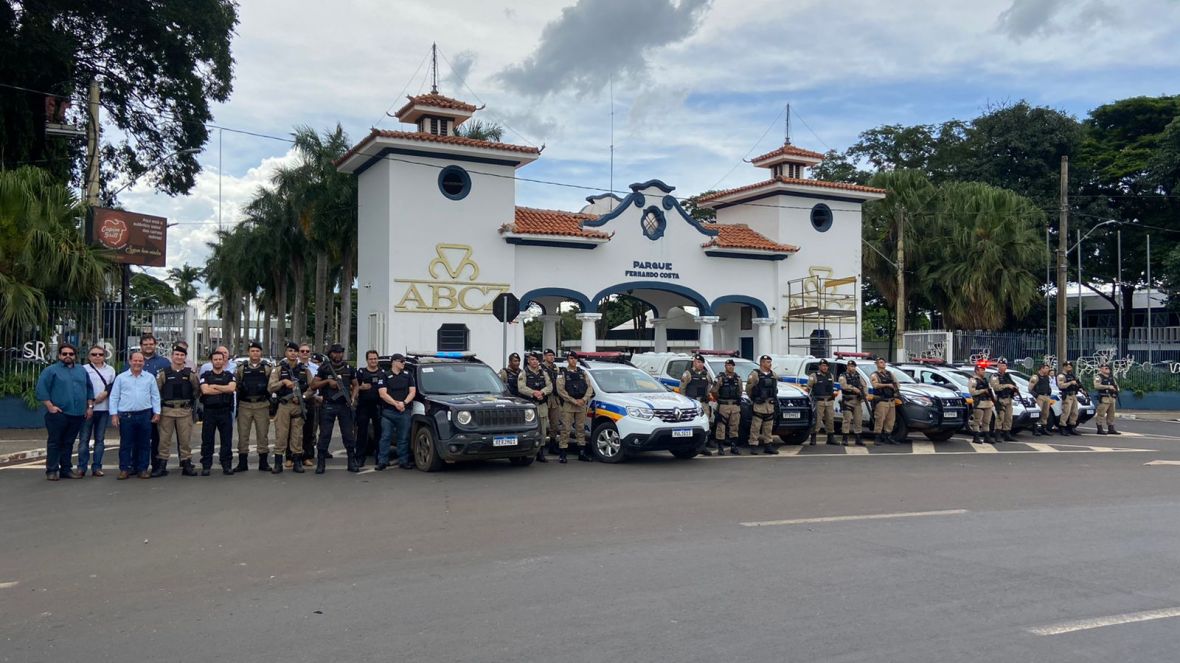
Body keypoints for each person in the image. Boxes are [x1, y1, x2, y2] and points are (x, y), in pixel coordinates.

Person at [35, 343, 94, 481]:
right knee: (55, 442)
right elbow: (41, 389)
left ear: (75, 356)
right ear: (59, 355)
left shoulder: (81, 370)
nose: (68, 356)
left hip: (78, 413)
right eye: (64, 354)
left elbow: (89, 389)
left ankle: (66, 469)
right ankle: (52, 470)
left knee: (68, 443)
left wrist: (89, 407)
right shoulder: (51, 370)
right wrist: (50, 406)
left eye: (71, 354)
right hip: (58, 413)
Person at [109, 351, 161, 480]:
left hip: (145, 414)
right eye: (135, 360)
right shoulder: (121, 378)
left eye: (140, 361)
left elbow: (155, 396)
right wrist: (114, 414)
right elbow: (114, 396)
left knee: (144, 444)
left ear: (144, 362)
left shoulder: (149, 378)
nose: (137, 363)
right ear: (130, 361)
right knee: (126, 444)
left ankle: (142, 469)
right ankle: (124, 469)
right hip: (126, 416)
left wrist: (157, 412)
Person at [310, 344, 359, 474]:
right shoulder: (324, 368)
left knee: (348, 435)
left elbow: (356, 385)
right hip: (328, 405)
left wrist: (353, 398)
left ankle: (351, 462)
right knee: (325, 434)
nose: (338, 355)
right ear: (331, 354)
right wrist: (327, 382)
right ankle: (321, 463)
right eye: (335, 353)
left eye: (340, 352)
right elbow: (313, 385)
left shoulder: (349, 368)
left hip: (344, 406)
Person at [154, 344, 200, 477]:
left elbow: (196, 390)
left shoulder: (190, 374)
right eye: (176, 355)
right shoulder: (164, 373)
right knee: (164, 440)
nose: (179, 357)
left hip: (184, 411)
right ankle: (162, 466)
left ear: (185, 357)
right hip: (167, 411)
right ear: (172, 356)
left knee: (185, 440)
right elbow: (157, 391)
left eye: (182, 355)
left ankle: (186, 465)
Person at [268, 342, 310, 474]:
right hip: (284, 405)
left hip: (298, 405)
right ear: (286, 353)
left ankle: (297, 461)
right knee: (281, 434)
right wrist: (283, 382)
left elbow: (312, 387)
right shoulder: (279, 369)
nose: (293, 353)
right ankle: (278, 463)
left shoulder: (304, 370)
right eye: (290, 350)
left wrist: (303, 397)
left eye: (295, 351)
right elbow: (270, 387)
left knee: (297, 436)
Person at [233, 342, 272, 472]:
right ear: (248, 352)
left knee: (263, 434)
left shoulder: (267, 368)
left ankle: (263, 462)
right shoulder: (241, 368)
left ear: (261, 353)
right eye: (252, 351)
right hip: (245, 404)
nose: (255, 353)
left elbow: (271, 385)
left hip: (262, 404)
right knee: (243, 434)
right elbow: (236, 384)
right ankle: (242, 463)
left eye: (257, 351)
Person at [77, 345, 115, 476]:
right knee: (84, 439)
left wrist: (105, 393)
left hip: (103, 409)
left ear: (105, 356)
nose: (97, 357)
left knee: (100, 439)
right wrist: (90, 403)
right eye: (94, 354)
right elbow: (82, 388)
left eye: (100, 354)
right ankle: (81, 467)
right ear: (89, 357)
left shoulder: (110, 370)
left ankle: (97, 467)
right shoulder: (83, 370)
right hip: (87, 409)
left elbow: (112, 386)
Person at [199, 349, 237, 475]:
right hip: (209, 411)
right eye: (215, 359)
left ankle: (226, 465)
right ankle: (206, 465)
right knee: (207, 440)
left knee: (226, 440)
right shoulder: (205, 375)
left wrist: (214, 386)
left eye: (220, 359)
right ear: (212, 361)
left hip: (225, 411)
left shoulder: (229, 375)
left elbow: (231, 388)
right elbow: (205, 391)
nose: (218, 361)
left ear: (224, 360)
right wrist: (223, 389)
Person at [377, 353, 417, 470]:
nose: (403, 363)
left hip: (404, 411)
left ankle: (403, 461)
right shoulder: (384, 375)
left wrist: (403, 403)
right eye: (402, 361)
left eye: (404, 361)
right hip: (389, 412)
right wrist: (396, 404)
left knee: (403, 438)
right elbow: (382, 394)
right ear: (394, 362)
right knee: (385, 437)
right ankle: (382, 461)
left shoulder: (408, 375)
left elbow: (412, 392)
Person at [556, 352, 594, 463]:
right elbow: (560, 390)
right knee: (566, 429)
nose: (573, 360)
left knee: (580, 429)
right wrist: (573, 401)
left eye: (575, 358)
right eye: (571, 358)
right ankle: (563, 453)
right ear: (567, 360)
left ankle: (582, 452)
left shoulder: (582, 372)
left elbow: (589, 388)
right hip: (569, 404)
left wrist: (583, 399)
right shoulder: (562, 373)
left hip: (581, 404)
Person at [138, 334, 170, 464]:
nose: (148, 347)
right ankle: (137, 465)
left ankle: (157, 466)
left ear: (155, 345)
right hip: (139, 405)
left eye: (151, 344)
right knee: (139, 438)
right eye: (145, 344)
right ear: (141, 346)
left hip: (158, 405)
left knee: (158, 437)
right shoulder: (135, 361)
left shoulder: (164, 362)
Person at [354, 350, 387, 467]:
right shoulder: (361, 372)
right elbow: (354, 387)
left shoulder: (383, 373)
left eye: (375, 359)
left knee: (379, 432)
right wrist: (361, 387)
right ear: (367, 360)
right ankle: (359, 458)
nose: (373, 361)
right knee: (362, 432)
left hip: (378, 406)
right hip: (363, 406)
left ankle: (380, 458)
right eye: (371, 359)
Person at [518, 352, 553, 463]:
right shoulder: (524, 373)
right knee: (529, 429)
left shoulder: (543, 372)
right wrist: (533, 393)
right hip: (529, 406)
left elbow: (550, 386)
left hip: (542, 405)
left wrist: (542, 392)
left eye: (536, 359)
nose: (534, 361)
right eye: (532, 359)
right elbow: (521, 388)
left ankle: (541, 453)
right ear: (528, 361)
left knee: (542, 429)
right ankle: (526, 453)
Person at [679, 354, 714, 455]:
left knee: (705, 423)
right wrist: (684, 402)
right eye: (697, 362)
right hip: (692, 404)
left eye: (700, 362)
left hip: (703, 403)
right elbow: (682, 389)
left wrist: (707, 396)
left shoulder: (706, 374)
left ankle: (703, 445)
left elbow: (708, 386)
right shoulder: (688, 374)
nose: (698, 364)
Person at [746, 355, 779, 454]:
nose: (770, 364)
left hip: (769, 404)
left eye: (770, 362)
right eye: (768, 362)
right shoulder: (755, 374)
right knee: (756, 426)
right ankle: (753, 445)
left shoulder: (773, 374)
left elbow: (775, 388)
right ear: (762, 363)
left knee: (768, 426)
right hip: (759, 404)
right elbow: (749, 388)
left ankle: (768, 445)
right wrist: (754, 398)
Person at [709, 358, 743, 455]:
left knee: (734, 426)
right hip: (723, 405)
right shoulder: (720, 378)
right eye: (728, 365)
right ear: (725, 366)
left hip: (735, 405)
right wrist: (719, 399)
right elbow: (714, 391)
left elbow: (740, 391)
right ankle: (720, 447)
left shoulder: (738, 378)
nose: (730, 367)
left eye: (732, 365)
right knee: (721, 426)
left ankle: (734, 446)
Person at [297, 344, 321, 468]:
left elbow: (315, 386)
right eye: (302, 351)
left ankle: (308, 455)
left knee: (310, 429)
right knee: (295, 431)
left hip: (311, 400)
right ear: (298, 353)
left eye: (307, 351)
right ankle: (293, 456)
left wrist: (308, 396)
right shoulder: (291, 366)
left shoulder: (315, 368)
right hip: (294, 401)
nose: (305, 353)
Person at [870, 358, 900, 445]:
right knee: (880, 419)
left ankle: (888, 436)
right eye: (881, 362)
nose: (883, 364)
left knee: (890, 420)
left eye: (884, 362)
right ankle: (877, 437)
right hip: (881, 400)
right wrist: (887, 385)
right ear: (877, 364)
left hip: (891, 400)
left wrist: (894, 388)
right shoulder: (874, 375)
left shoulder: (889, 373)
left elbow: (897, 384)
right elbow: (875, 385)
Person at [806, 359, 837, 446]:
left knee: (830, 419)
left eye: (826, 366)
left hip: (829, 401)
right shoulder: (814, 376)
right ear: (819, 366)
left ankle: (830, 438)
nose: (825, 367)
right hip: (819, 401)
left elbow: (832, 386)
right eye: (823, 366)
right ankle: (813, 437)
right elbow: (808, 388)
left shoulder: (830, 375)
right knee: (817, 420)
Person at [990, 360, 1019, 442]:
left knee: (1008, 417)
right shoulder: (995, 376)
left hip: (1009, 398)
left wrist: (1015, 389)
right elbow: (995, 387)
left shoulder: (1007, 376)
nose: (1002, 367)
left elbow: (1013, 384)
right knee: (1000, 417)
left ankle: (1007, 434)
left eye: (1004, 365)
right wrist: (1007, 386)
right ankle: (997, 434)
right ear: (998, 366)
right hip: (1000, 399)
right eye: (1001, 365)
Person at [968, 363, 997, 445]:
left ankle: (987, 437)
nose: (983, 371)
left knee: (987, 421)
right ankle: (976, 437)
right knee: (977, 421)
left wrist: (993, 398)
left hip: (988, 403)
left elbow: (990, 390)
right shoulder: (973, 380)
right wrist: (983, 391)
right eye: (982, 370)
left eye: (984, 370)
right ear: (977, 371)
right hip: (979, 403)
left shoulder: (985, 380)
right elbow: (972, 392)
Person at [839, 360, 865, 446]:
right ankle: (845, 439)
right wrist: (854, 389)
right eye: (850, 366)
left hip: (857, 401)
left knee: (858, 420)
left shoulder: (858, 376)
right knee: (847, 420)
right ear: (847, 367)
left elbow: (864, 385)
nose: (852, 368)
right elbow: (844, 385)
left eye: (853, 366)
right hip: (848, 401)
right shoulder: (843, 376)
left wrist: (863, 394)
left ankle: (858, 439)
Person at [542, 349, 563, 452]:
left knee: (554, 424)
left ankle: (552, 445)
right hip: (544, 398)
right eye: (549, 355)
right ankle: (540, 447)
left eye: (552, 355)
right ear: (545, 356)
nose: (551, 357)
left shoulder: (556, 368)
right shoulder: (540, 368)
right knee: (542, 424)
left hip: (555, 398)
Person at [1093, 364, 1120, 435]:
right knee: (1101, 413)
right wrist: (1108, 387)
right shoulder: (1098, 377)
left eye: (1108, 368)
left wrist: (1116, 390)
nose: (1107, 369)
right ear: (1101, 369)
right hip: (1104, 397)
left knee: (1111, 414)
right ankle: (1099, 428)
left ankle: (1111, 428)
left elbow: (1116, 385)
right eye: (1105, 368)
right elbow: (1096, 386)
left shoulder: (1111, 377)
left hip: (1112, 397)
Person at [1056, 361, 1082, 436]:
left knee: (1074, 412)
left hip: (1073, 395)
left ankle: (1072, 427)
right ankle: (1063, 427)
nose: (1070, 368)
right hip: (1067, 395)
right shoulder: (1061, 376)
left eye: (1071, 366)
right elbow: (1061, 386)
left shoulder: (1072, 375)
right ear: (1064, 367)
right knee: (1066, 412)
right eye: (1068, 366)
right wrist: (1070, 383)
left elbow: (1078, 384)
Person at [1028, 363, 1054, 436]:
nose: (1048, 370)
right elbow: (1030, 388)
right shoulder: (1035, 377)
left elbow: (1048, 386)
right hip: (1040, 397)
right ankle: (1035, 429)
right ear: (1041, 369)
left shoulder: (1046, 377)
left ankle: (1044, 428)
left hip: (1046, 396)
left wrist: (1049, 392)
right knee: (1038, 413)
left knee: (1045, 413)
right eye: (1046, 368)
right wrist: (1036, 396)